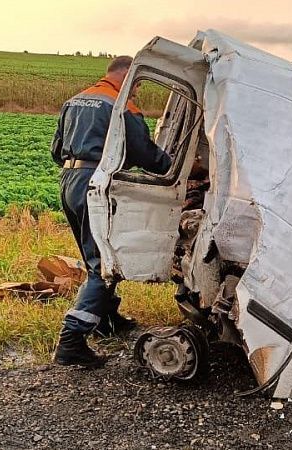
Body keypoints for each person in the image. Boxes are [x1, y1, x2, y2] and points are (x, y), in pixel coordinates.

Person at [50, 56, 172, 367]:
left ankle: (106, 320)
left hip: (69, 180)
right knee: (103, 265)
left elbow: (56, 151)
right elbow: (147, 154)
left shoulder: (75, 101)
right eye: (137, 85)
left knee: (97, 256)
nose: (136, 92)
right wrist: (180, 171)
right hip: (97, 185)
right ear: (128, 76)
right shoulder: (120, 105)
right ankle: (71, 340)